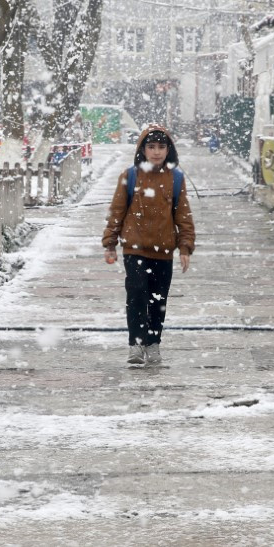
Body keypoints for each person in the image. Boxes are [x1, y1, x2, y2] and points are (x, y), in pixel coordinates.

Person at [101, 125, 195, 366]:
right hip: (135, 249)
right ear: (142, 150)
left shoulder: (175, 178)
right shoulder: (130, 176)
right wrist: (110, 243)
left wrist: (185, 247)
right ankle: (136, 344)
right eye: (151, 147)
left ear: (168, 150)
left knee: (158, 300)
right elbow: (117, 211)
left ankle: (153, 343)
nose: (156, 152)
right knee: (136, 295)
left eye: (161, 147)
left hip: (163, 251)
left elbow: (182, 215)